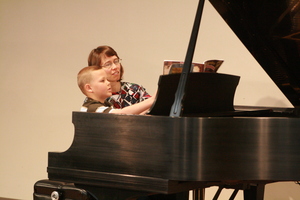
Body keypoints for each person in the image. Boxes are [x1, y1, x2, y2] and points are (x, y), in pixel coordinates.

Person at [77, 66, 155, 114]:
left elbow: (129, 118)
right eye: (102, 81)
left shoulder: (106, 104)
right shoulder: (92, 108)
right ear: (89, 88)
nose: (108, 83)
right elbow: (121, 114)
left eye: (107, 79)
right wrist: (152, 100)